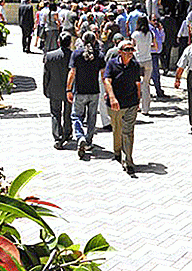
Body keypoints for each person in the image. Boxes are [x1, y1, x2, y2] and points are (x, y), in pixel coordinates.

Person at [103, 39, 142, 176]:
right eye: (127, 50)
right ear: (120, 52)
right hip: (115, 104)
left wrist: (138, 99)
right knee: (117, 129)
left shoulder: (135, 65)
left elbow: (138, 83)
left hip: (131, 103)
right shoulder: (112, 64)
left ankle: (128, 161)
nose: (130, 52)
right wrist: (112, 97)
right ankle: (117, 152)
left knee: (128, 132)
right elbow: (107, 80)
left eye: (132, 49)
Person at [67, 31, 106, 159]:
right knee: (92, 117)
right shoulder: (99, 55)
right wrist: (107, 91)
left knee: (76, 116)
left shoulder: (76, 54)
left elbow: (72, 73)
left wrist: (68, 89)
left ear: (82, 41)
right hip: (94, 91)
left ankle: (80, 136)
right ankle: (88, 141)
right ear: (95, 41)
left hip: (80, 91)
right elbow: (103, 75)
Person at [44, 32, 73, 149]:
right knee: (68, 113)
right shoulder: (73, 56)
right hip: (69, 89)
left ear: (58, 42)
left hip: (54, 88)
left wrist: (45, 88)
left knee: (55, 113)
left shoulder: (50, 56)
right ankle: (67, 133)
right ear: (70, 43)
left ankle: (58, 136)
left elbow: (46, 74)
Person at [131, 16, 156, 115]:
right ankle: (146, 108)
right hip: (148, 60)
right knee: (146, 85)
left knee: (135, 84)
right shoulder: (150, 34)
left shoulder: (135, 34)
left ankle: (136, 106)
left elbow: (132, 46)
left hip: (138, 60)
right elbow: (154, 46)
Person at [149, 14, 167, 98]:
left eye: (157, 20)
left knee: (155, 73)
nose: (156, 22)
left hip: (156, 54)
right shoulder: (149, 30)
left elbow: (162, 39)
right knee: (155, 74)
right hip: (151, 54)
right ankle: (158, 91)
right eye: (154, 20)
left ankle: (158, 90)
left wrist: (161, 30)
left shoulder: (156, 29)